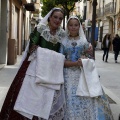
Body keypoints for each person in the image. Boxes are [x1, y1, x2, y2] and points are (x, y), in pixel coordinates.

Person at [0, 7, 66, 120]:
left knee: (45, 100)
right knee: (28, 98)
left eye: (60, 18)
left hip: (50, 72)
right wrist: (41, 51)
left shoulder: (62, 34)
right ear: (50, 17)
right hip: (34, 67)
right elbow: (32, 49)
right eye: (55, 17)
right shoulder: (40, 29)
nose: (57, 20)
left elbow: (63, 52)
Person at [60, 16, 114, 120]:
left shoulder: (84, 42)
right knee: (70, 99)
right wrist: (76, 63)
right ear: (67, 27)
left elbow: (91, 59)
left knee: (87, 98)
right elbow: (61, 61)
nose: (73, 27)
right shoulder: (63, 42)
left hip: (83, 75)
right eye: (71, 25)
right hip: (67, 76)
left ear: (79, 26)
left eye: (76, 25)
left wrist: (88, 56)